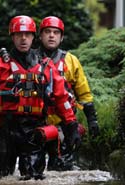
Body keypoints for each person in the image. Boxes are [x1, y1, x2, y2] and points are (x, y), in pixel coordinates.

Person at [0, 15, 80, 180]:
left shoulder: (47, 67)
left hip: (33, 131)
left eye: (27, 34)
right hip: (3, 129)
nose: (23, 38)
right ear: (12, 37)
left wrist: (71, 126)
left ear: (34, 37)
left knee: (33, 182)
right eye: (19, 34)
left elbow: (62, 98)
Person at [36, 16, 100, 171]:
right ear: (40, 36)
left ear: (61, 37)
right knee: (33, 170)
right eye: (48, 32)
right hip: (35, 123)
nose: (52, 35)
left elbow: (83, 94)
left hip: (65, 124)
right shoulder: (30, 59)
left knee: (62, 171)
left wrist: (92, 120)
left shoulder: (71, 61)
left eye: (56, 32)